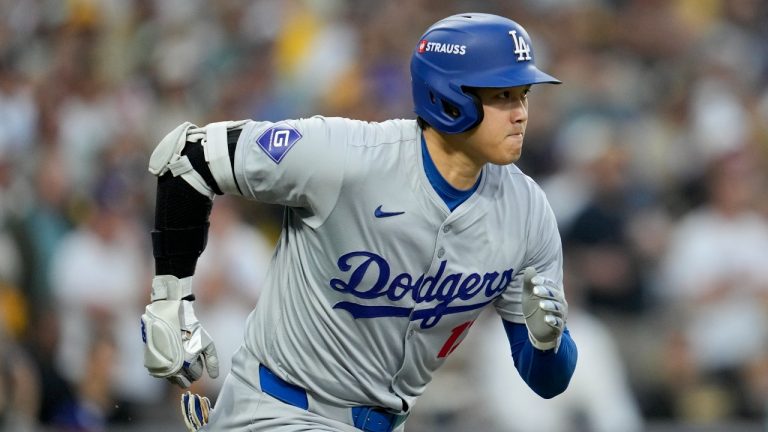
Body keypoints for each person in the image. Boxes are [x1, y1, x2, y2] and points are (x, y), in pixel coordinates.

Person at [141, 13, 578, 432]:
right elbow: (188, 157)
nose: (521, 112)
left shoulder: (527, 212)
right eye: (502, 96)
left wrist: (549, 346)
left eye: (523, 95)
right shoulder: (347, 156)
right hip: (277, 411)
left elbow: (547, 383)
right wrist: (171, 300)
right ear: (450, 97)